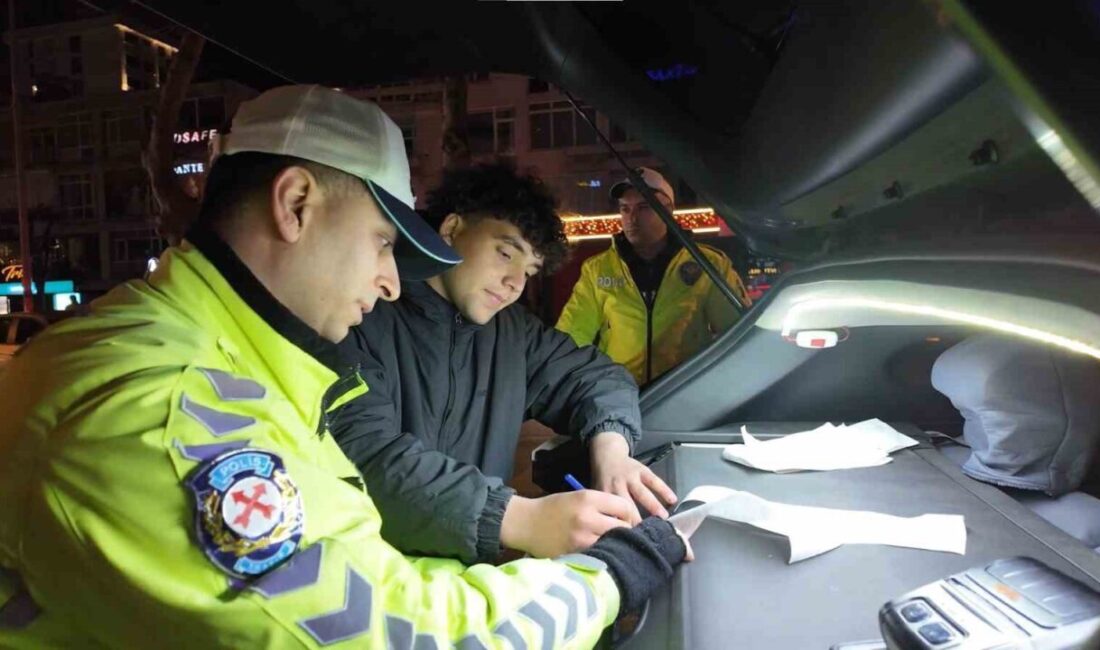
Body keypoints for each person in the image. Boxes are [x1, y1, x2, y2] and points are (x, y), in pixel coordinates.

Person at [0, 86, 688, 648]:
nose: (390, 282)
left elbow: (362, 566)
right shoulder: (164, 410)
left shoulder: (237, 357)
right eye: (383, 242)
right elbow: (387, 631)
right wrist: (604, 577)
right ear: (295, 204)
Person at [333, 162, 679, 565]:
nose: (515, 282)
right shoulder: (358, 316)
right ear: (451, 229)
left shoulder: (512, 334)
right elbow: (366, 457)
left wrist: (612, 451)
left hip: (469, 580)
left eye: (529, 271)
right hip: (363, 574)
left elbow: (597, 376)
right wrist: (521, 519)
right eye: (505, 253)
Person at [557, 167, 752, 387]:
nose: (632, 218)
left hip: (682, 392)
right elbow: (572, 334)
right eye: (625, 208)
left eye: (644, 207)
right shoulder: (598, 269)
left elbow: (738, 332)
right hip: (619, 395)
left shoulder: (708, 264)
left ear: (668, 210)